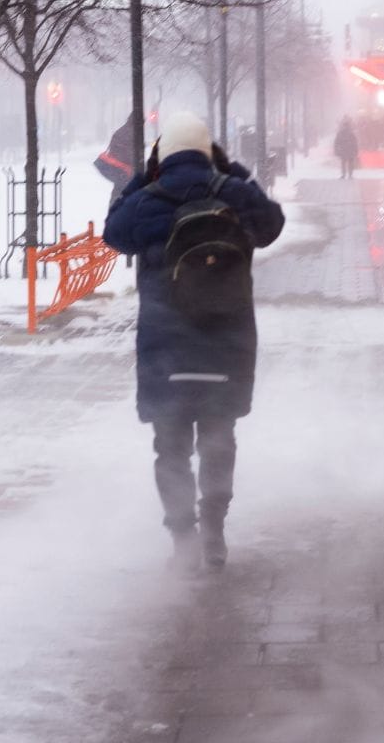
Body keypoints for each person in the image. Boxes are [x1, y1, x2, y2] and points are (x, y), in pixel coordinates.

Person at [102, 111, 285, 573]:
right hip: (227, 344)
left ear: (164, 156)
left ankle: (183, 539)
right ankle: (215, 532)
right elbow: (272, 225)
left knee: (171, 446)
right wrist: (234, 173)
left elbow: (113, 234)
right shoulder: (234, 194)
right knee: (219, 440)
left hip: (167, 348)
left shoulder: (148, 198)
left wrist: (147, 176)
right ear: (208, 154)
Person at [95, 111, 141, 199]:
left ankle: (114, 209)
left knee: (117, 195)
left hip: (120, 172)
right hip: (125, 172)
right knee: (124, 196)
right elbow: (128, 155)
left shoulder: (122, 131)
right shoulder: (132, 133)